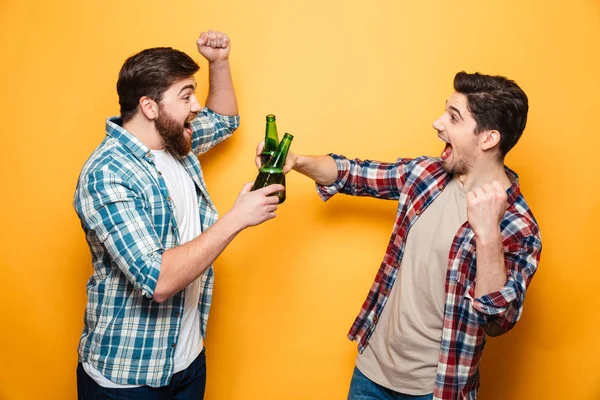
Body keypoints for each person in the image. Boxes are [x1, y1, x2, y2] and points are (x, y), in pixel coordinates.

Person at [261, 72, 542, 400]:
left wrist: (488, 236)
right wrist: (295, 161)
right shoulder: (426, 175)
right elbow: (353, 173)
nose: (438, 123)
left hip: (436, 390)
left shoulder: (519, 227)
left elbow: (498, 321)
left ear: (488, 139)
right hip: (370, 374)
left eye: (453, 117)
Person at [73, 30, 283, 399]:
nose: (196, 105)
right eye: (186, 96)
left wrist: (218, 62)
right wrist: (237, 218)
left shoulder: (175, 143)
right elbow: (158, 281)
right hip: (129, 378)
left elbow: (224, 119)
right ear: (149, 107)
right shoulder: (107, 173)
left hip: (187, 362)